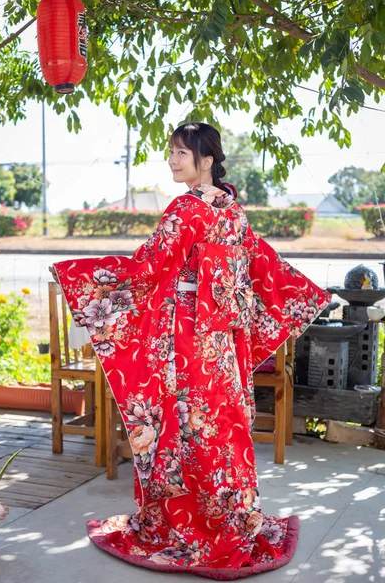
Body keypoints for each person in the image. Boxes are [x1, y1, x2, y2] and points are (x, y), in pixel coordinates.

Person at [49, 122, 330, 579]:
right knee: (221, 425)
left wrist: (81, 274)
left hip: (187, 338)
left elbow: (148, 266)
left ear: (206, 159)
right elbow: (264, 266)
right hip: (222, 343)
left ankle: (191, 525)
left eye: (181, 152)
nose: (173, 160)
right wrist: (302, 293)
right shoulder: (232, 210)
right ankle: (230, 517)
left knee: (183, 427)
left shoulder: (187, 209)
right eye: (172, 152)